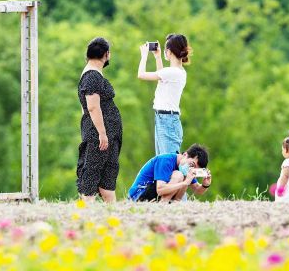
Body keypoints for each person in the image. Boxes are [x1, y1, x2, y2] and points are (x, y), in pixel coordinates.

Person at [76, 37, 122, 203]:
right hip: (99, 134)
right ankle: (86, 211)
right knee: (91, 172)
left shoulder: (93, 74)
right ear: (106, 54)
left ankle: (112, 214)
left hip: (108, 133)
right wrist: (102, 133)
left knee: (108, 177)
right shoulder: (92, 76)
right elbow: (92, 107)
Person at [137, 34, 191, 155]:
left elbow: (141, 74)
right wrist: (157, 57)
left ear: (170, 52)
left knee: (167, 164)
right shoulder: (178, 72)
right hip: (166, 119)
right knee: (163, 162)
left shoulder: (172, 72)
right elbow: (161, 77)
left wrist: (144, 56)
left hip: (167, 121)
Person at [128, 144, 212, 202]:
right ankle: (163, 205)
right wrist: (185, 183)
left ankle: (174, 204)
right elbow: (160, 190)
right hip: (138, 196)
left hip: (154, 196)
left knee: (184, 176)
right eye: (191, 164)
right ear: (185, 155)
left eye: (195, 169)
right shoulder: (166, 160)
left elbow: (197, 189)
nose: (191, 169)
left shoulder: (186, 169)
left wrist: (205, 185)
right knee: (179, 175)